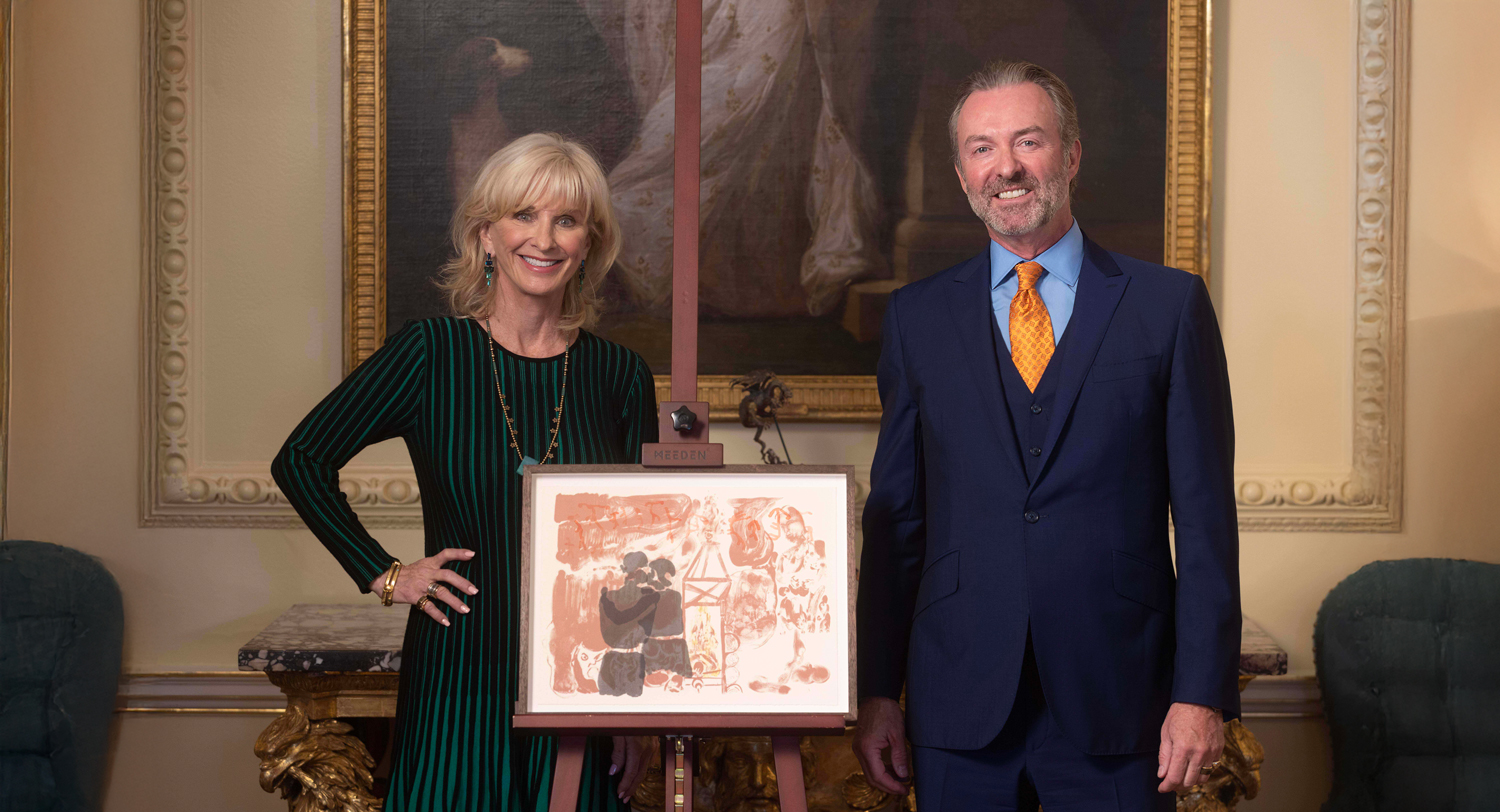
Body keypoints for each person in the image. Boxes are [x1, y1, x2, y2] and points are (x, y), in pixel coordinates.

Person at [853, 60, 1240, 811]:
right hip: (957, 703)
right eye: (982, 148)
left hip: (1122, 701)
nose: (1007, 167)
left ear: (1070, 154)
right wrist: (877, 692)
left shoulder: (1169, 307)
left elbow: (1203, 523)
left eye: (1028, 141)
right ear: (962, 172)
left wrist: (1200, 694)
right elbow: (895, 521)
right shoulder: (916, 320)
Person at [273, 132, 659, 811]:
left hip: (581, 683)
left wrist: (632, 704)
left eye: (567, 220)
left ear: (589, 243)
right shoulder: (430, 354)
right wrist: (387, 573)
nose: (545, 238)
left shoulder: (619, 375)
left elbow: (640, 554)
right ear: (486, 234)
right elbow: (300, 460)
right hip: (458, 671)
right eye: (524, 216)